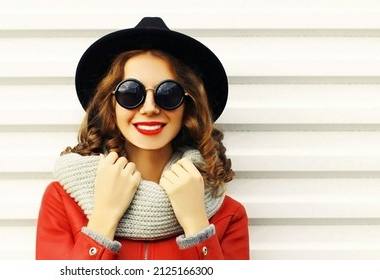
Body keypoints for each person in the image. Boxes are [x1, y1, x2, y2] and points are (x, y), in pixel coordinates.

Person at [36, 17, 249, 260]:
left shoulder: (228, 215)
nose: (149, 108)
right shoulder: (62, 201)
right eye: (131, 92)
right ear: (111, 104)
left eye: (168, 94)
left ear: (187, 107)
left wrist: (196, 225)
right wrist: (103, 217)